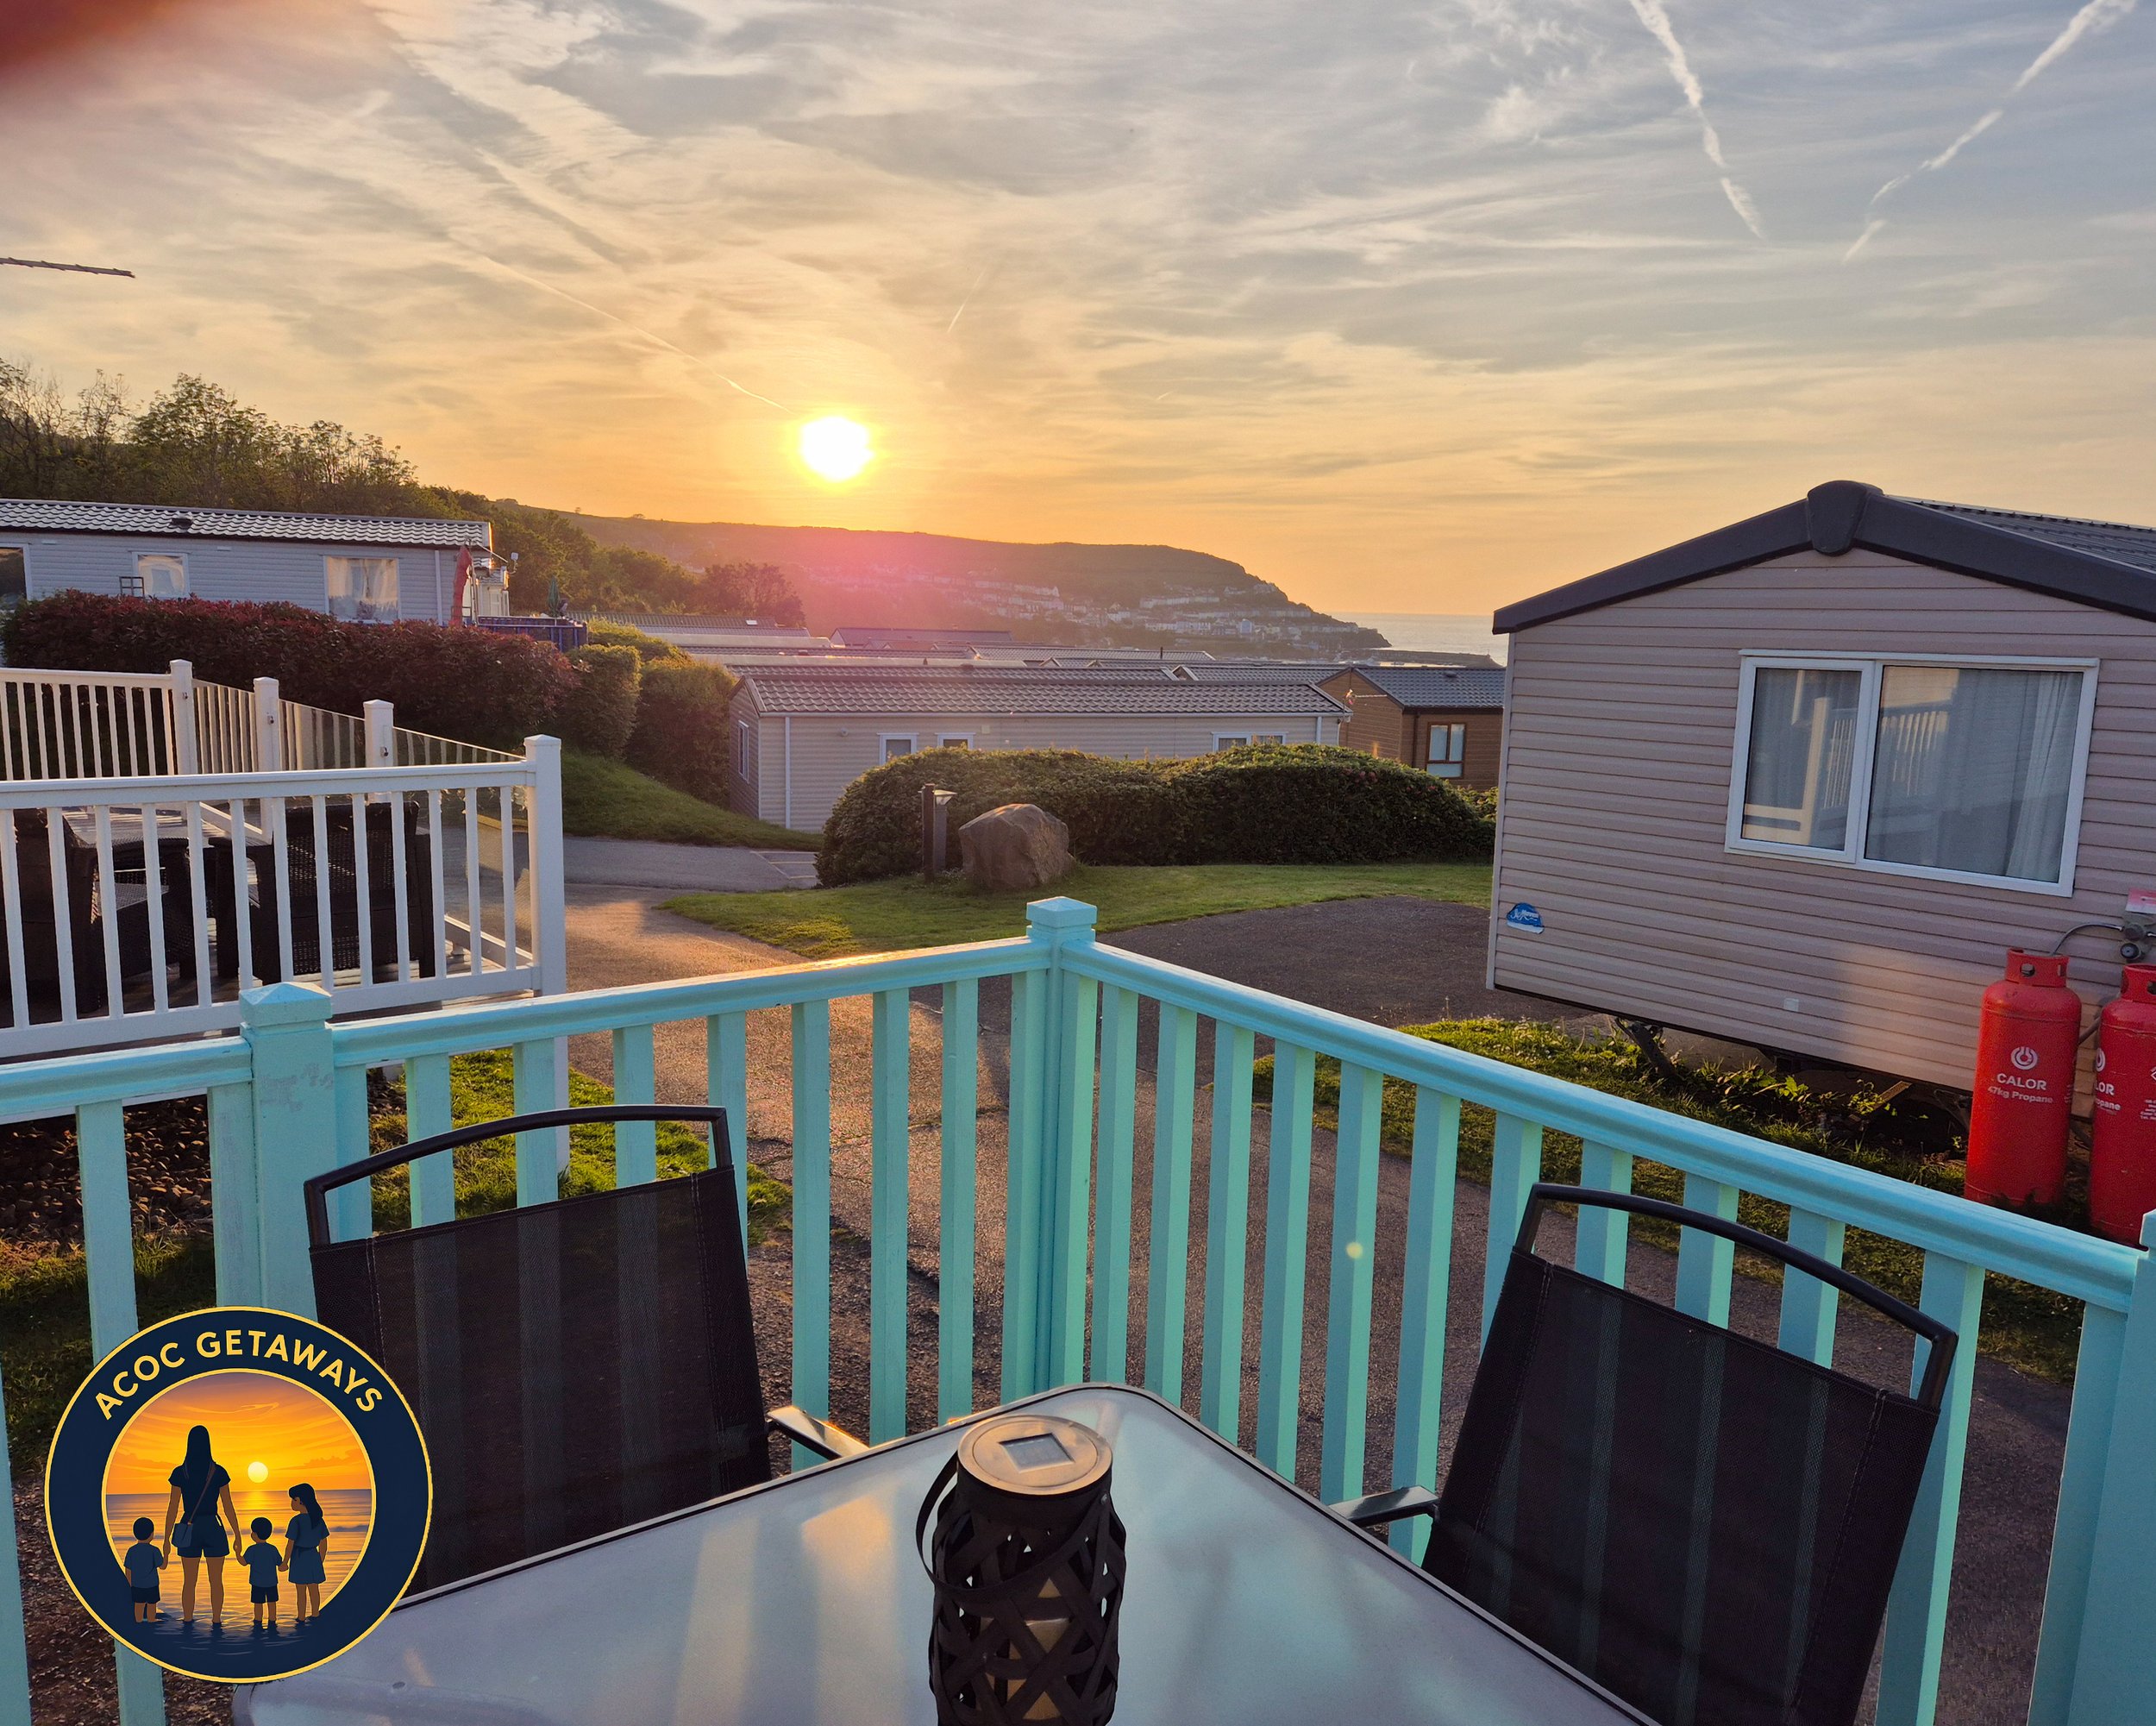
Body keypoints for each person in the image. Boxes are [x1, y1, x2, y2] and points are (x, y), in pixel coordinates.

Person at [161, 1425, 238, 1625]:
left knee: (189, 1581)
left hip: (189, 1527)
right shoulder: (218, 1472)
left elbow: (173, 1507)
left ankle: (188, 1619)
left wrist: (166, 1538)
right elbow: (228, 1505)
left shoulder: (180, 1472)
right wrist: (237, 1534)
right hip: (213, 1526)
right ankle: (216, 1621)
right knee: (216, 1581)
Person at [285, 1483, 329, 1623]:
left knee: (301, 1591)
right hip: (313, 1556)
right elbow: (324, 1543)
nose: (292, 1503)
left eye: (293, 1500)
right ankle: (315, 1613)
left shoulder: (296, 1521)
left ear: (300, 1501)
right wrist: (319, 1560)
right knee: (314, 1589)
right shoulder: (318, 1520)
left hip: (299, 1557)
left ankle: (301, 1617)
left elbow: (290, 1544)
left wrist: (285, 1562)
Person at [241, 1518, 285, 1629]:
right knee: (272, 1602)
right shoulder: (272, 1549)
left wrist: (237, 1553)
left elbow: (244, 1562)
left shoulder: (252, 1549)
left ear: (255, 1534)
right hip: (271, 1582)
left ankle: (258, 1621)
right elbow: (280, 1563)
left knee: (258, 1603)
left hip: (257, 1583)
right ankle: (272, 1620)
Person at [121, 1517, 164, 1623]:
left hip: (137, 1584)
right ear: (151, 1534)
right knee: (152, 1604)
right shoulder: (154, 1550)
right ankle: (151, 1619)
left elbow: (128, 1569)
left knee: (138, 1603)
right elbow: (162, 1566)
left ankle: (138, 1620)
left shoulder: (131, 1551)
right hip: (152, 1584)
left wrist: (129, 1584)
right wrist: (166, 1555)